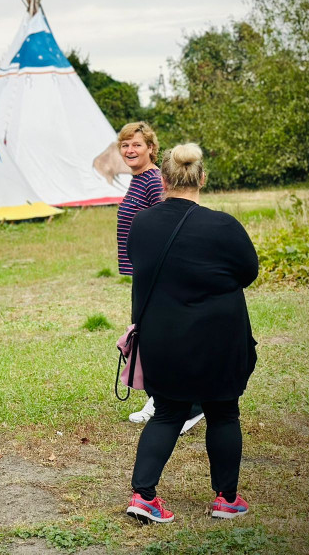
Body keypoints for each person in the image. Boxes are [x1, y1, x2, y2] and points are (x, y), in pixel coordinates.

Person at [125, 144, 258, 524]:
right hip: (219, 336)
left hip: (162, 337)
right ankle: (226, 499)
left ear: (163, 179)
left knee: (167, 412)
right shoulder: (224, 226)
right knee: (223, 412)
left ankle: (144, 495)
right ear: (202, 178)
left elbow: (140, 265)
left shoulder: (143, 224)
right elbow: (249, 272)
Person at [115, 122, 204, 430]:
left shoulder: (154, 181)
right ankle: (158, 397)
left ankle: (192, 404)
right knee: (148, 337)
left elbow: (168, 222)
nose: (130, 150)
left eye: (136, 145)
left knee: (160, 339)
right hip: (142, 270)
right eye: (125, 145)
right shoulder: (138, 180)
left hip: (157, 272)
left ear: (151, 148)